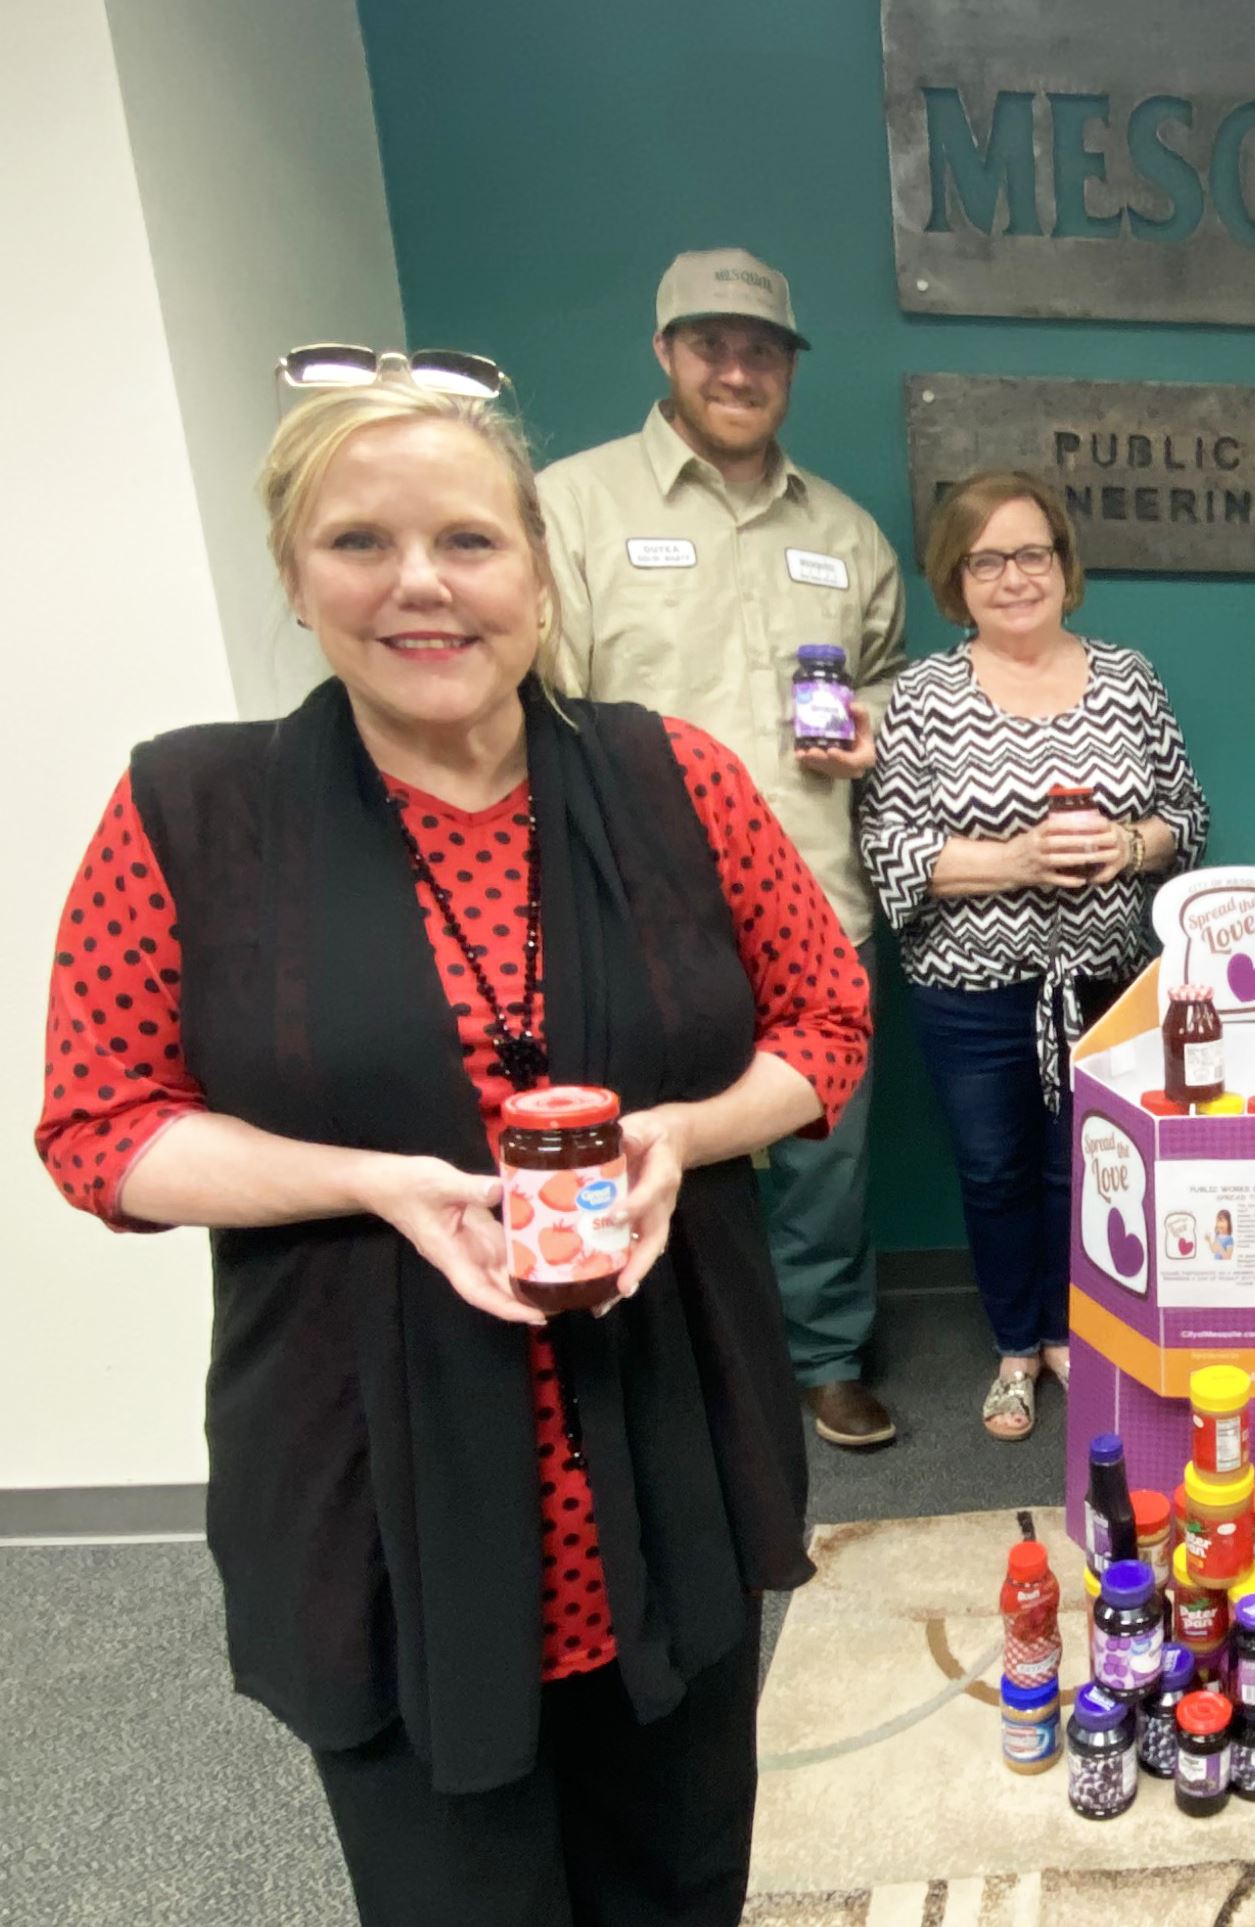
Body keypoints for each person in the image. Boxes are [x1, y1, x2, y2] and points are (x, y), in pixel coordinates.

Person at [35, 361, 873, 1923]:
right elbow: (101, 1130)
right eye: (361, 541)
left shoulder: (673, 779)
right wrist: (368, 1180)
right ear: (295, 575)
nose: (420, 582)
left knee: (682, 1872)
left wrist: (685, 1132)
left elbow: (825, 1025)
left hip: (665, 1423)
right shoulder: (193, 809)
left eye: (469, 542)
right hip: (376, 1470)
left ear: (540, 575)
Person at [538, 248, 904, 1451]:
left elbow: (889, 683)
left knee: (821, 1154)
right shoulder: (575, 505)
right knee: (650, 1142)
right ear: (666, 353)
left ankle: (826, 1356)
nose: (737, 368)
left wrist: (873, 721)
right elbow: (544, 703)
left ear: (789, 368)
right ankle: (665, 1368)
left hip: (814, 887)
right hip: (641, 900)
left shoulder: (845, 531)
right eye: (712, 344)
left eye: (762, 350)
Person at [857, 470, 1208, 1440]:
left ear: (1063, 564)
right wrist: (1013, 860)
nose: (1014, 577)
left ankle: (1072, 1331)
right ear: (954, 578)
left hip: (1108, 985)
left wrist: (1131, 846)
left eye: (1032, 553)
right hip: (971, 990)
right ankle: (1016, 1342)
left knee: (1091, 1171)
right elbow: (888, 848)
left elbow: (1189, 816)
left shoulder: (1128, 677)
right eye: (987, 560)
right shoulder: (924, 695)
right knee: (996, 1170)